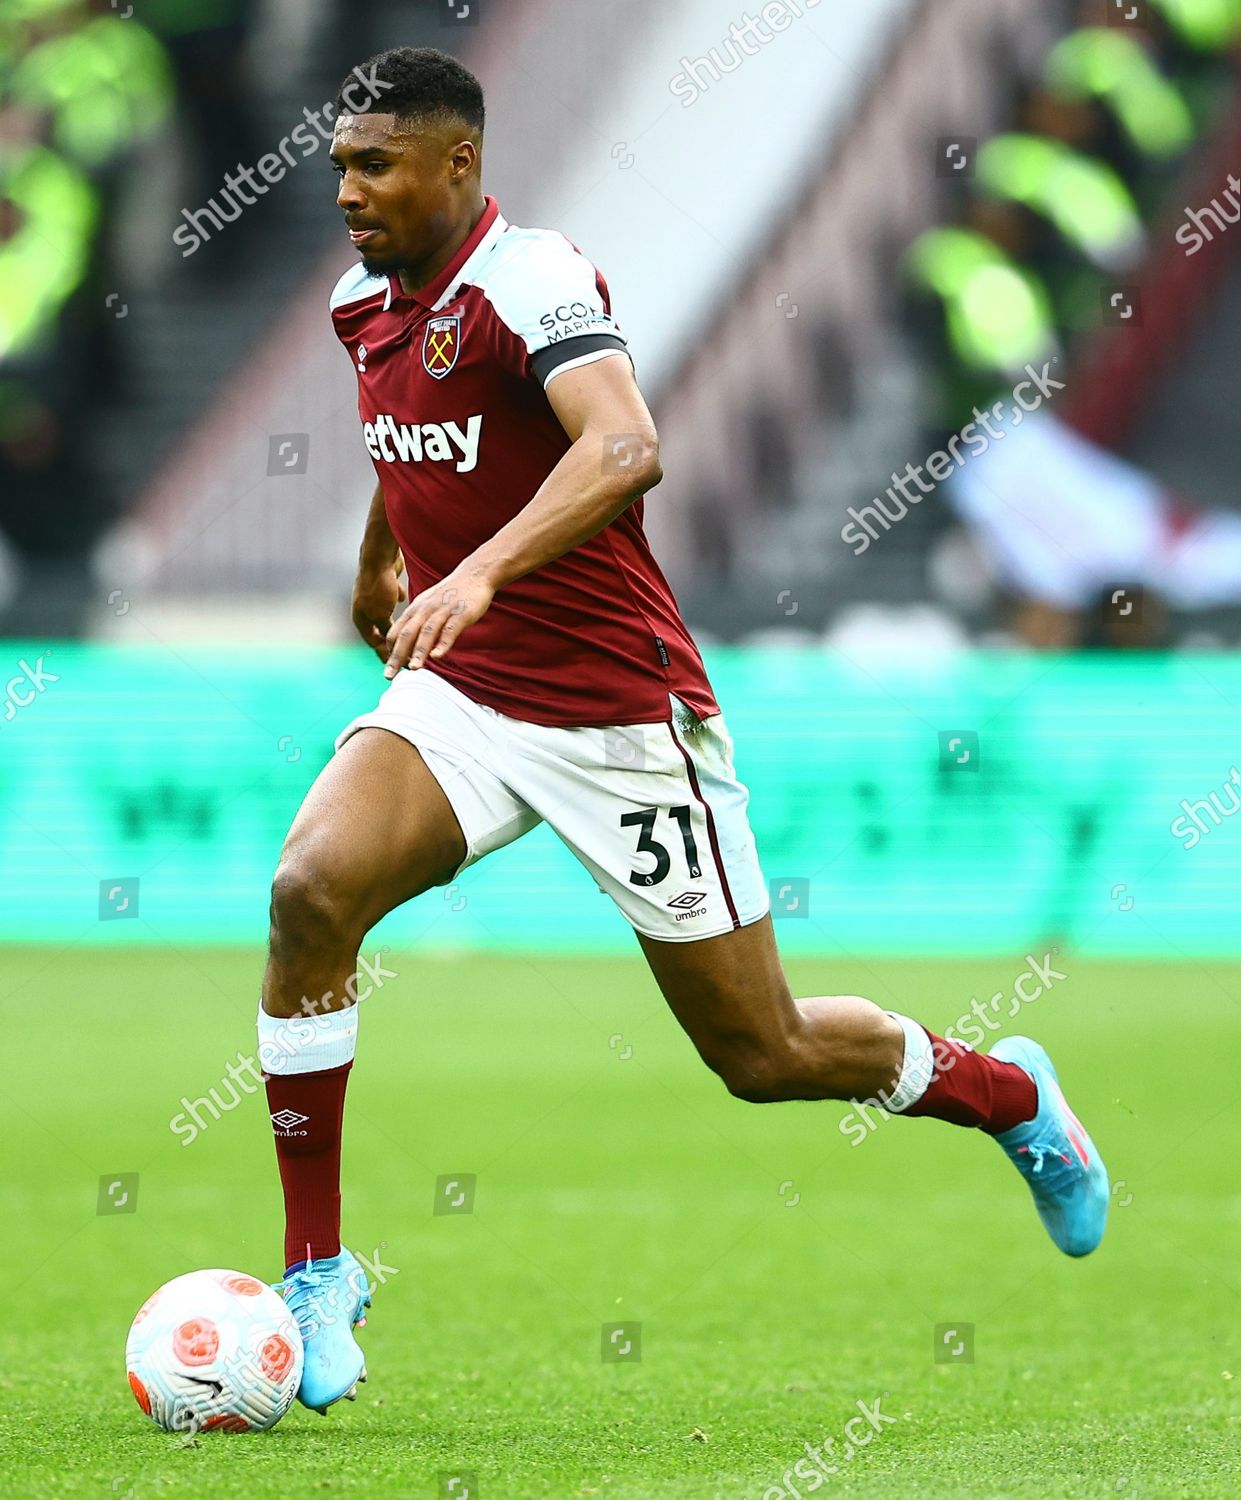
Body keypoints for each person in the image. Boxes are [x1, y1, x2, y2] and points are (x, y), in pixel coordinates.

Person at [260, 48, 1110, 1415]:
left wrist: (476, 571)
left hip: (618, 709)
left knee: (759, 1055)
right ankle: (316, 1272)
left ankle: (1008, 1097)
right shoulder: (367, 300)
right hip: (468, 694)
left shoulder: (529, 277)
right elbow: (413, 428)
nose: (346, 190)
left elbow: (620, 447)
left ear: (457, 165)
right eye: (339, 164)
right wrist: (382, 556)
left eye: (374, 165)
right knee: (310, 894)